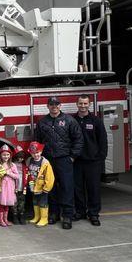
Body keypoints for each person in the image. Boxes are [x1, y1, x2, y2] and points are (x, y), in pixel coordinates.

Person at [35, 96, 83, 230]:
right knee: (50, 188)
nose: (54, 106)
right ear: (47, 106)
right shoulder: (42, 122)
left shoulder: (69, 120)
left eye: (56, 104)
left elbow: (78, 139)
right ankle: (53, 213)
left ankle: (67, 216)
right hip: (48, 161)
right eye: (51, 104)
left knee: (67, 187)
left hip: (64, 159)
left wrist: (72, 157)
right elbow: (37, 141)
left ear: (60, 106)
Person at [73, 94, 108, 226]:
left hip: (93, 162)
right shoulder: (72, 120)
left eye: (85, 104)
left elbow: (103, 140)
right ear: (77, 104)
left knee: (93, 189)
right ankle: (80, 212)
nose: (83, 106)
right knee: (78, 189)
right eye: (80, 103)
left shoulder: (96, 120)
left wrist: (101, 157)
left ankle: (93, 214)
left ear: (89, 105)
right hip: (77, 161)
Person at [27, 142, 55, 227]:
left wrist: (46, 188)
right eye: (33, 153)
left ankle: (44, 218)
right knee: (35, 202)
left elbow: (50, 177)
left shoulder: (45, 163)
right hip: (34, 187)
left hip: (42, 188)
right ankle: (37, 217)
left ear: (41, 151)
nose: (36, 155)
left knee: (43, 203)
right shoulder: (29, 161)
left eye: (37, 152)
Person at [0, 145, 18, 227]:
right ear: (0, 155)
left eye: (7, 154)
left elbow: (17, 176)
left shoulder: (12, 165)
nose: (6, 156)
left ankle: (5, 219)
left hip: (10, 187)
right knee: (1, 203)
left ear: (10, 155)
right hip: (2, 187)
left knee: (7, 203)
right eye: (4, 155)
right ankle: (0, 219)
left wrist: (8, 172)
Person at [12, 145, 29, 224]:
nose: (21, 159)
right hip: (14, 187)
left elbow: (27, 175)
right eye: (19, 157)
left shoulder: (24, 166)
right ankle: (14, 216)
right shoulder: (12, 165)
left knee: (22, 202)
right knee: (14, 203)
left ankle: (21, 215)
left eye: (22, 157)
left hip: (22, 187)